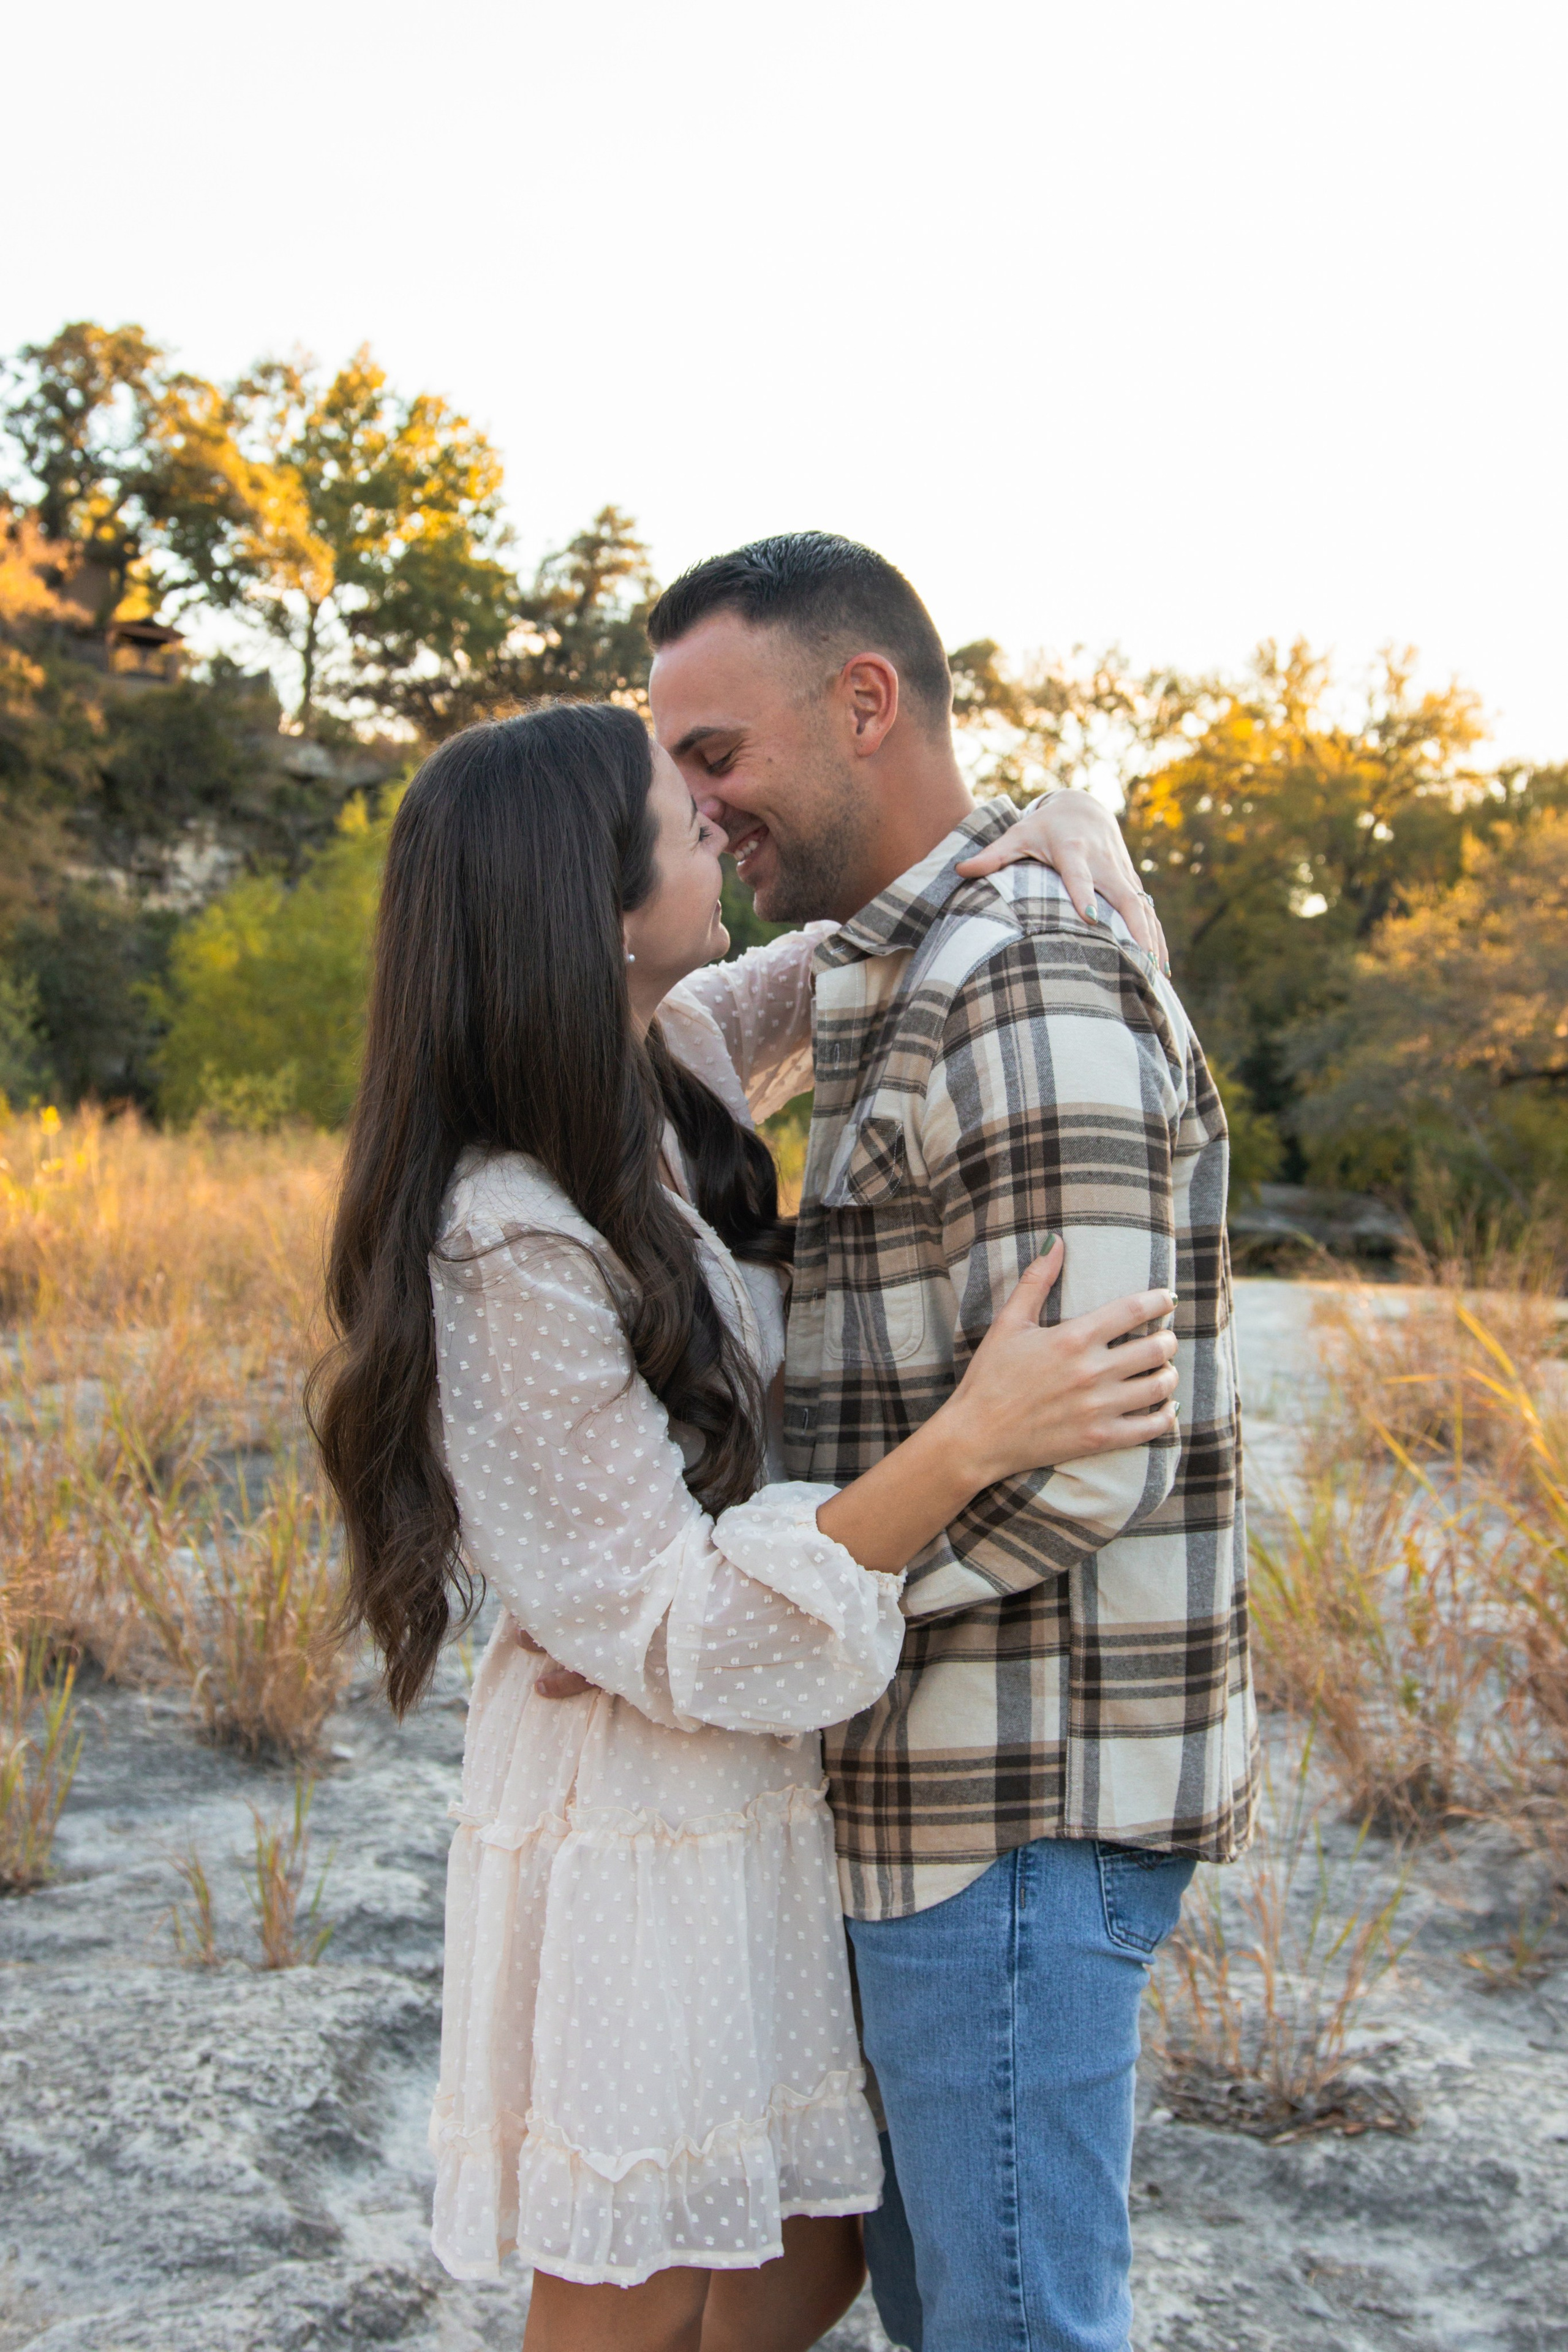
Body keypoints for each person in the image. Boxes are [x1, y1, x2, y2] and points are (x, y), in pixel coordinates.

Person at [308, 699, 1182, 2352]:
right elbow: (682, 1632)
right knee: (633, 2282)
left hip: (755, 1775)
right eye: (676, 807)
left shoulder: (670, 1055)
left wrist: (1068, 807)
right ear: (589, 892)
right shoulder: (500, 1235)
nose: (714, 823)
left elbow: (887, 915)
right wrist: (973, 1436)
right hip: (638, 1802)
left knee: (806, 2256)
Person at [645, 533, 1259, 2352]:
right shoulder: (888, 973)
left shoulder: (1019, 972)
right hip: (933, 1803)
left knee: (1011, 2332)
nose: (697, 806)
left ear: (865, 703)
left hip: (1014, 1812)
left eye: (716, 754)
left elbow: (1087, 1445)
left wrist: (809, 1616)